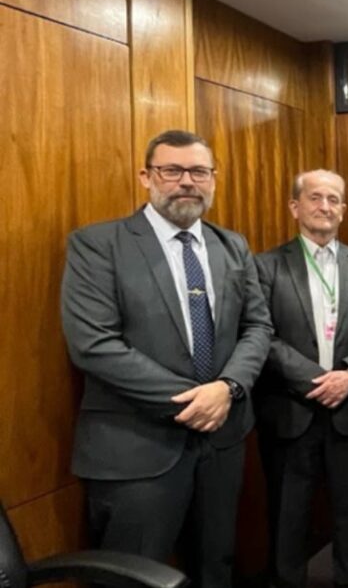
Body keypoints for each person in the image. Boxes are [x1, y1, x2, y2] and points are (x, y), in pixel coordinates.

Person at [60, 130, 272, 588]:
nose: (186, 182)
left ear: (213, 179)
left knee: (215, 567)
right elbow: (93, 344)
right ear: (146, 176)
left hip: (222, 441)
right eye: (171, 170)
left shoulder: (232, 245)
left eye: (198, 171)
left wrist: (228, 389)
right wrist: (195, 400)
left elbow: (258, 328)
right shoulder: (98, 244)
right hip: (136, 448)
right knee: (132, 577)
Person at [255, 170, 348, 588]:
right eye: (315, 198)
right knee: (289, 510)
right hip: (292, 411)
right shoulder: (266, 266)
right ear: (295, 206)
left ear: (344, 209)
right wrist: (314, 379)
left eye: (333, 199)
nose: (325, 207)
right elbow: (260, 333)